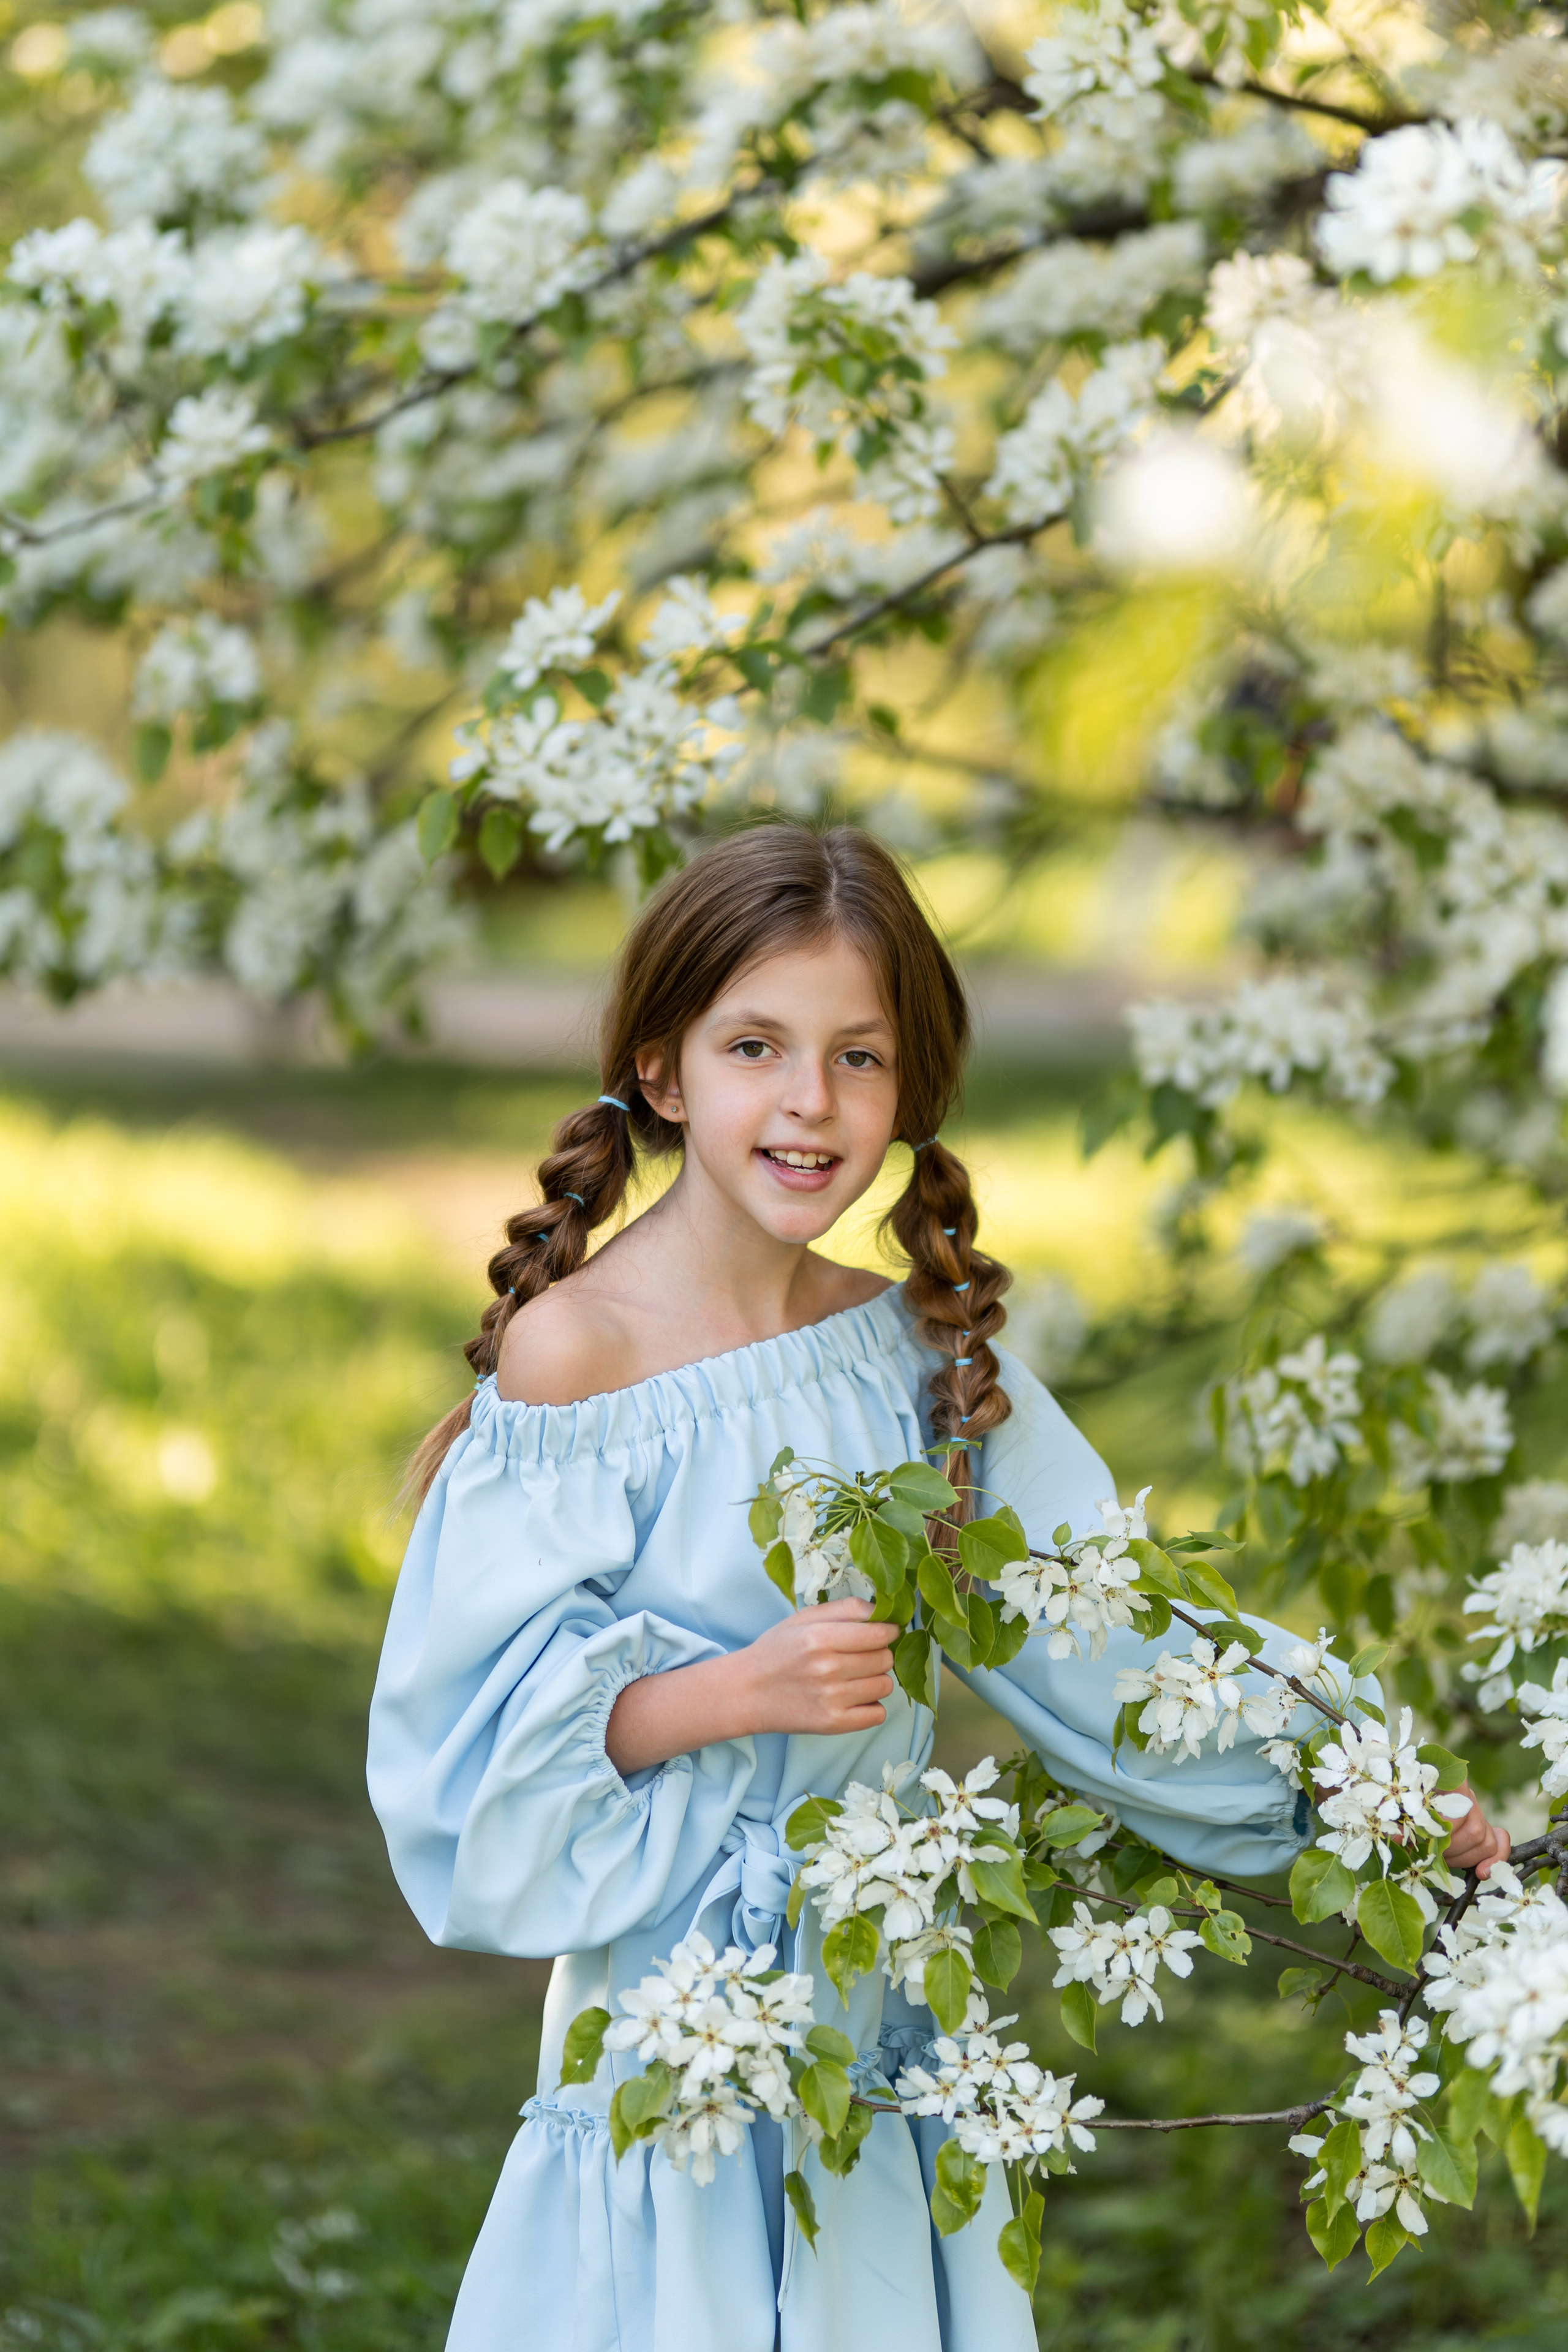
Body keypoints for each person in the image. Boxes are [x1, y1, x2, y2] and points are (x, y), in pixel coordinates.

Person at [368, 823, 1506, 2352]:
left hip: (884, 2001)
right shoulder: (581, 1355)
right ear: (661, 1070)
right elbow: (471, 1761)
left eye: (858, 1057)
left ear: (908, 1092)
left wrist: (1363, 1795)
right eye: (755, 1047)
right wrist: (731, 1693)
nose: (809, 1101)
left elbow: (1114, 1631)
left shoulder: (917, 1354)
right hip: (676, 2020)